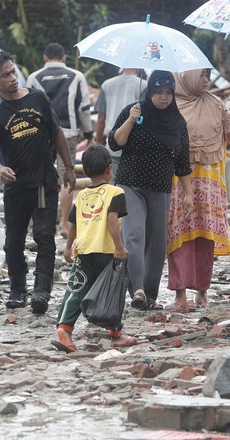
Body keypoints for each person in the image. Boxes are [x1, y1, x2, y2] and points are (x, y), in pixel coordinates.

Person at [0, 50, 74, 314]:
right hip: (15, 185)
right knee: (13, 242)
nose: (12, 78)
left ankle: (42, 292)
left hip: (44, 181)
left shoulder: (37, 97)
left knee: (45, 236)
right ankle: (18, 291)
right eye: (5, 75)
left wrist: (68, 168)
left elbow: (57, 133)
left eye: (13, 71)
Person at [165, 69, 230, 313]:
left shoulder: (216, 103)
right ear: (188, 77)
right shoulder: (171, 104)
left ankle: (202, 292)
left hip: (210, 180)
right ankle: (180, 295)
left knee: (205, 238)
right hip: (179, 180)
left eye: (207, 76)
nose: (205, 81)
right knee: (178, 237)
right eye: (201, 76)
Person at [108, 70, 194, 310]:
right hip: (130, 183)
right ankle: (137, 289)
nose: (163, 98)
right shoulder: (133, 111)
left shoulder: (178, 122)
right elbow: (115, 142)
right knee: (134, 236)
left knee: (156, 244)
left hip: (161, 187)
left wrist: (188, 194)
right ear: (150, 92)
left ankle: (150, 295)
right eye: (158, 92)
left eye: (168, 93)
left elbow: (183, 162)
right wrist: (130, 120)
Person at [52, 145, 138, 352]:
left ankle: (64, 329)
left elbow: (72, 224)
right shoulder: (116, 192)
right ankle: (115, 331)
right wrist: (119, 247)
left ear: (86, 171)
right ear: (109, 169)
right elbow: (111, 220)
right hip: (107, 251)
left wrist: (67, 249)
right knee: (111, 290)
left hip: (83, 251)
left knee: (75, 290)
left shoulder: (80, 196)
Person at [26, 43, 94, 237]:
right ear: (64, 58)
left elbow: (29, 108)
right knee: (67, 177)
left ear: (45, 58)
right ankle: (65, 225)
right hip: (69, 134)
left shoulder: (34, 77)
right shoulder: (77, 76)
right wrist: (89, 135)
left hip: (42, 135)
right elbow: (84, 109)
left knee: (43, 177)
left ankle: (44, 224)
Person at [93, 68, 147, 176]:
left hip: (111, 143)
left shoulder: (106, 85)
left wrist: (98, 142)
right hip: (134, 145)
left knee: (113, 184)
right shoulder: (143, 85)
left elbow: (101, 117)